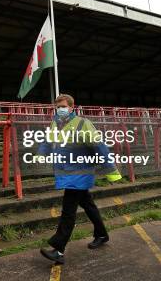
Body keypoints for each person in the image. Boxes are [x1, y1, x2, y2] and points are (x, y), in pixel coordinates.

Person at [38, 94, 122, 265]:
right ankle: (102, 234)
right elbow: (48, 140)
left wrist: (111, 171)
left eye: (63, 106)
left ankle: (58, 249)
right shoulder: (56, 123)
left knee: (68, 211)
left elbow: (99, 146)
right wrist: (41, 154)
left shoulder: (83, 124)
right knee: (88, 205)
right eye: (57, 107)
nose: (60, 109)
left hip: (79, 173)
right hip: (66, 172)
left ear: (71, 107)